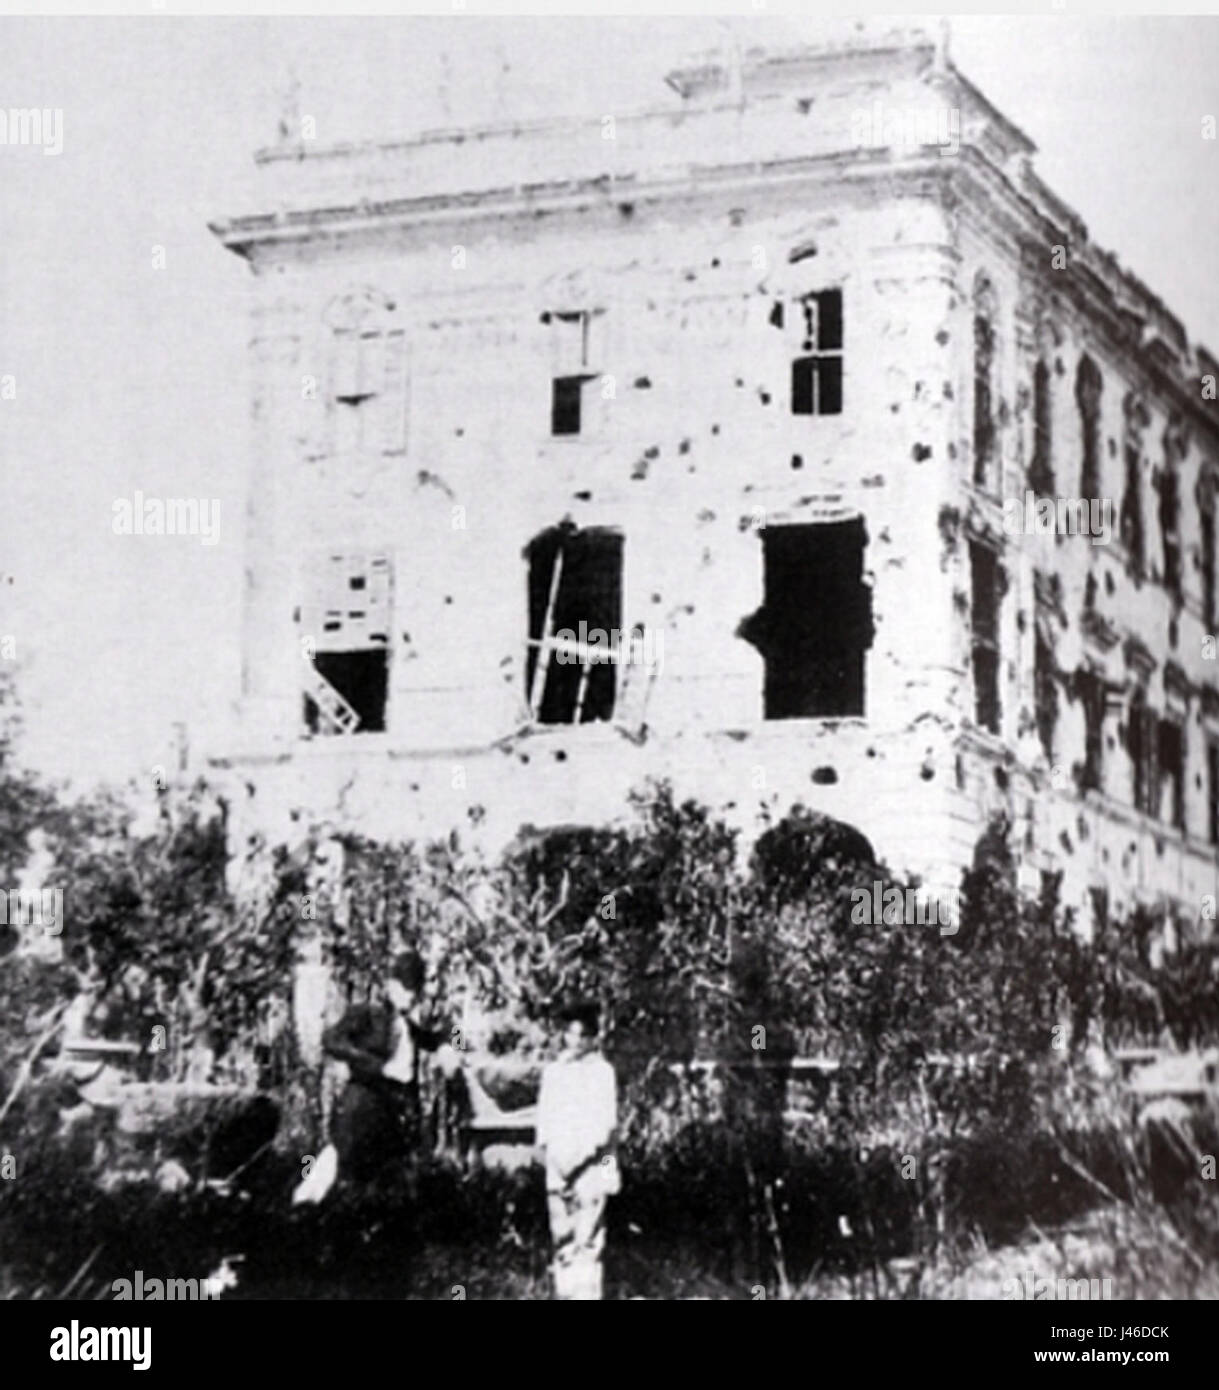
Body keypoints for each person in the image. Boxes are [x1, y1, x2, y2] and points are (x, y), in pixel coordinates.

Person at [296, 950, 449, 1200]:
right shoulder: (366, 1014)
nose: (410, 1000)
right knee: (338, 1181)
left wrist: (451, 1044)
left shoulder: (406, 1026)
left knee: (385, 1188)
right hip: (360, 1113)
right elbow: (331, 1040)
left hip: (391, 1117)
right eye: (405, 991)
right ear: (390, 986)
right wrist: (377, 1066)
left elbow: (441, 1035)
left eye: (415, 994)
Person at [535, 1001, 619, 1300]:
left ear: (593, 1037)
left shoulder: (602, 1073)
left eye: (583, 1035)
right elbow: (544, 1123)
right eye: (570, 1034)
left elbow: (605, 1126)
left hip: (590, 1169)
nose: (575, 1041)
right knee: (563, 1242)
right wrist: (555, 1161)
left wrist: (579, 1160)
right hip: (558, 1169)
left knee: (588, 1244)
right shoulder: (553, 1073)